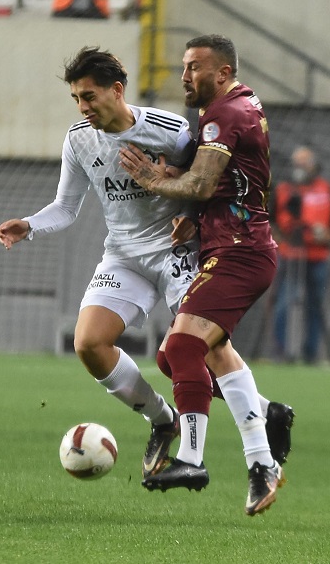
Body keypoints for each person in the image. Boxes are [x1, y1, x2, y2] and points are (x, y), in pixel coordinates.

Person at [0, 47, 292, 485]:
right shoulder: (78, 139)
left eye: (90, 96)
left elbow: (208, 181)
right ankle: (162, 418)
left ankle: (262, 419)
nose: (83, 106)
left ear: (117, 90)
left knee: (201, 350)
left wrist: (189, 219)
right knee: (89, 344)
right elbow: (66, 207)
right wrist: (30, 225)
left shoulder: (169, 129)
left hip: (176, 254)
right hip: (123, 255)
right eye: (77, 98)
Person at [119, 34, 287, 516]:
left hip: (240, 252)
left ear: (222, 73)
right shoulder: (241, 102)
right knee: (181, 360)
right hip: (234, 246)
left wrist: (152, 179)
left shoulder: (223, 114)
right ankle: (262, 452)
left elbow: (202, 180)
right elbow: (229, 180)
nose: (184, 75)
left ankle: (192, 458)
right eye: (184, 66)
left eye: (194, 67)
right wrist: (197, 214)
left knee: (184, 348)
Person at [272, 145, 330, 364]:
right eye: (296, 163)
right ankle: (283, 353)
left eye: (304, 162)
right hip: (290, 255)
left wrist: (328, 236)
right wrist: (281, 239)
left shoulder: (327, 189)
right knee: (284, 303)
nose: (300, 167)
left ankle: (310, 354)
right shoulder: (283, 190)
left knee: (315, 306)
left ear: (313, 165)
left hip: (318, 257)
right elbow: (271, 219)